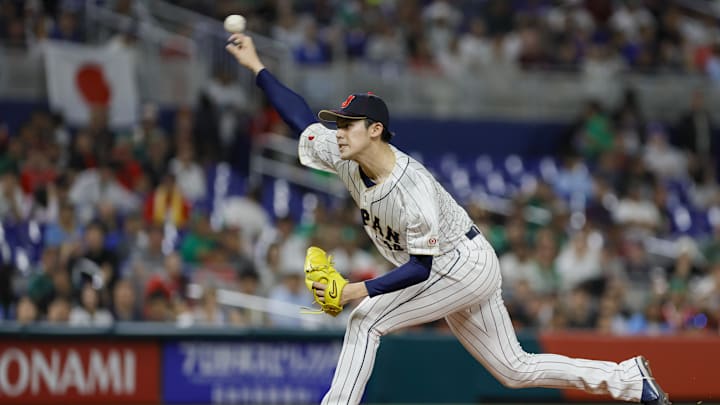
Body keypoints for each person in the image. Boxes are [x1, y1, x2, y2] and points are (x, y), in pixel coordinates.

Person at [225, 33, 670, 405]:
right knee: (515, 369)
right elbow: (298, 117)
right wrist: (257, 66)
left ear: (374, 130)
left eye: (347, 124)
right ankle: (630, 380)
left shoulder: (411, 188)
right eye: (338, 124)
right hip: (453, 265)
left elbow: (421, 268)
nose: (337, 132)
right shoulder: (343, 154)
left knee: (365, 320)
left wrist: (356, 291)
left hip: (458, 264)